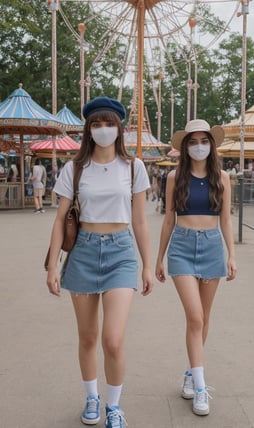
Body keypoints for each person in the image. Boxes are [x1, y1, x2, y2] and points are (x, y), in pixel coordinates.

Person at [46, 96, 153, 427]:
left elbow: (140, 221)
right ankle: (92, 396)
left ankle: (114, 406)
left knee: (113, 339)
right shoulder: (74, 168)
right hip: (83, 252)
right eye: (96, 124)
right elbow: (60, 216)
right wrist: (52, 265)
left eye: (109, 124)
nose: (103, 130)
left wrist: (147, 264)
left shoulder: (134, 167)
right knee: (88, 337)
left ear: (119, 128)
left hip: (121, 252)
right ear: (87, 130)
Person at [155, 119, 237, 417]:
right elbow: (168, 220)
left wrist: (231, 254)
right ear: (185, 147)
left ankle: (191, 372)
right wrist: (158, 258)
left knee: (204, 318)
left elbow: (226, 219)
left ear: (211, 145)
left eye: (204, 141)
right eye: (193, 141)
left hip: (213, 245)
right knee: (194, 316)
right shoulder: (175, 177)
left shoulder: (223, 177)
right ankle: (201, 387)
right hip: (182, 246)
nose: (199, 146)